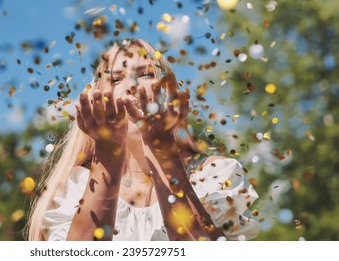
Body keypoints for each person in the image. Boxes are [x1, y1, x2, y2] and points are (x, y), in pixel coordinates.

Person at [26, 38, 259, 241]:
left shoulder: (216, 175)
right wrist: (107, 154)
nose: (132, 87)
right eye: (116, 79)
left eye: (146, 74)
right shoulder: (75, 187)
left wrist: (162, 151)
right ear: (98, 99)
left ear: (169, 93)